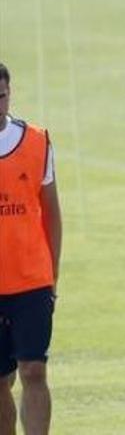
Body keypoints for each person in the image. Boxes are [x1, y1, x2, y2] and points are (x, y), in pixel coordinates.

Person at [0, 62, 62, 435]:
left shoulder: (37, 141)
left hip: (32, 280)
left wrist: (51, 276)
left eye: (1, 96)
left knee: (33, 370)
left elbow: (51, 213)